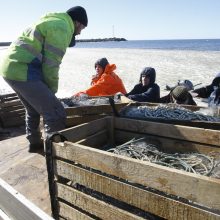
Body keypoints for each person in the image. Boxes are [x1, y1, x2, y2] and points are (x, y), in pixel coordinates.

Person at [0, 6, 88, 153]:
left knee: (33, 109)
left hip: (10, 68)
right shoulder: (63, 27)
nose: (79, 33)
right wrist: (52, 90)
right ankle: (53, 156)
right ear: (78, 23)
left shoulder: (52, 19)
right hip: (24, 68)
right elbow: (51, 65)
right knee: (55, 112)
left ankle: (34, 144)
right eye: (82, 28)